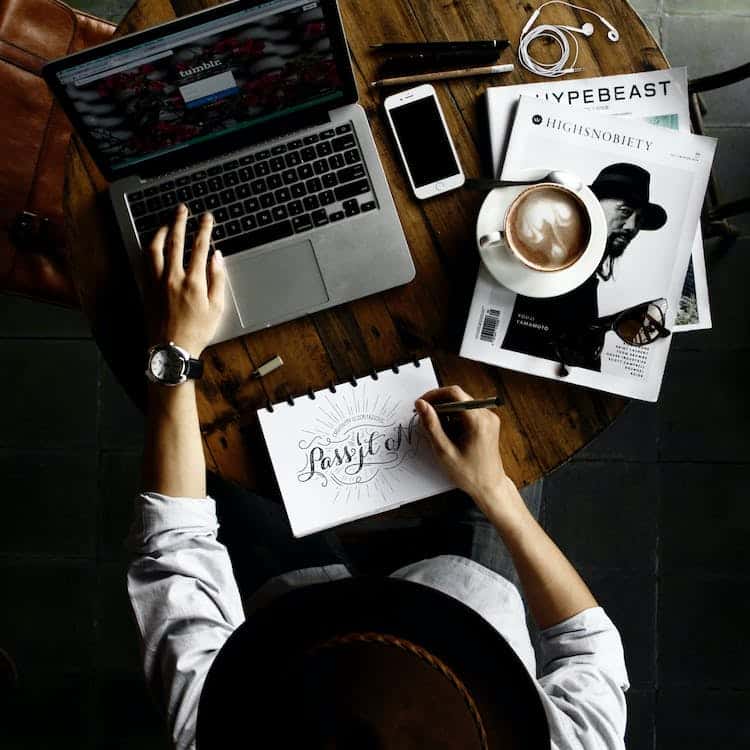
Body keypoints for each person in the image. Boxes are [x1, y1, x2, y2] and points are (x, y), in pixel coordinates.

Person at [128, 204, 629, 749]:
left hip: (293, 605)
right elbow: (587, 645)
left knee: (226, 449)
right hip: (470, 591)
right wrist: (494, 491)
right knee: (506, 399)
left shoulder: (216, 729)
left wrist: (174, 353)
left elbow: (174, 546)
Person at [501, 162, 668, 372]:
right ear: (593, 205)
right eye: (625, 211)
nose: (632, 226)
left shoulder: (585, 278)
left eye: (640, 218)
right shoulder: (554, 267)